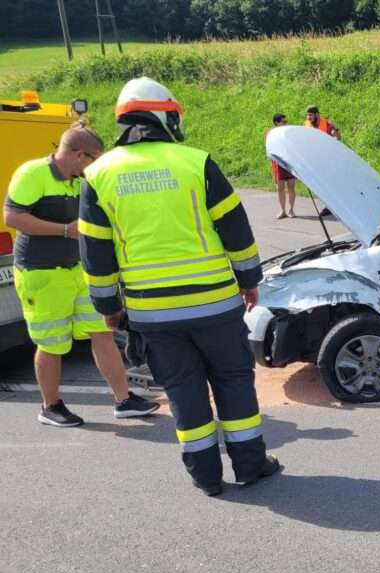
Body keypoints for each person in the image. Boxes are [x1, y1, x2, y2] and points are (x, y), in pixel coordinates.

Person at [78, 77, 281, 496]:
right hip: (214, 305)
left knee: (183, 390)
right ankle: (249, 465)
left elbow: (95, 252)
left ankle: (205, 477)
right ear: (163, 114)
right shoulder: (195, 161)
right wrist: (249, 281)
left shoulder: (97, 174)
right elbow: (235, 228)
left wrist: (108, 306)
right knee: (232, 381)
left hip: (153, 314)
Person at [3, 123, 159, 427]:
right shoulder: (31, 174)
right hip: (41, 273)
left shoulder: (81, 179)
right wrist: (65, 230)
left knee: (101, 332)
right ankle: (50, 406)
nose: (93, 167)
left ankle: (124, 400)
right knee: (51, 343)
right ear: (76, 154)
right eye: (92, 160)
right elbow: (12, 217)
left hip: (79, 271)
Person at [303, 105, 339, 218]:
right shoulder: (306, 125)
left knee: (330, 183)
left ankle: (333, 207)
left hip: (327, 159)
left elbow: (338, 139)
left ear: (317, 114)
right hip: (314, 160)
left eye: (310, 114)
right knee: (321, 185)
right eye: (307, 114)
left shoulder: (327, 124)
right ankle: (329, 206)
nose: (308, 117)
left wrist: (336, 129)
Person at [266, 113, 295, 219]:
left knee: (291, 186)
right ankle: (283, 211)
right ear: (277, 123)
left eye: (286, 121)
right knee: (280, 188)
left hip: (289, 162)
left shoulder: (288, 132)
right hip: (278, 163)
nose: (286, 123)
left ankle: (291, 210)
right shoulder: (270, 134)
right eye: (283, 121)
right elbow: (268, 148)